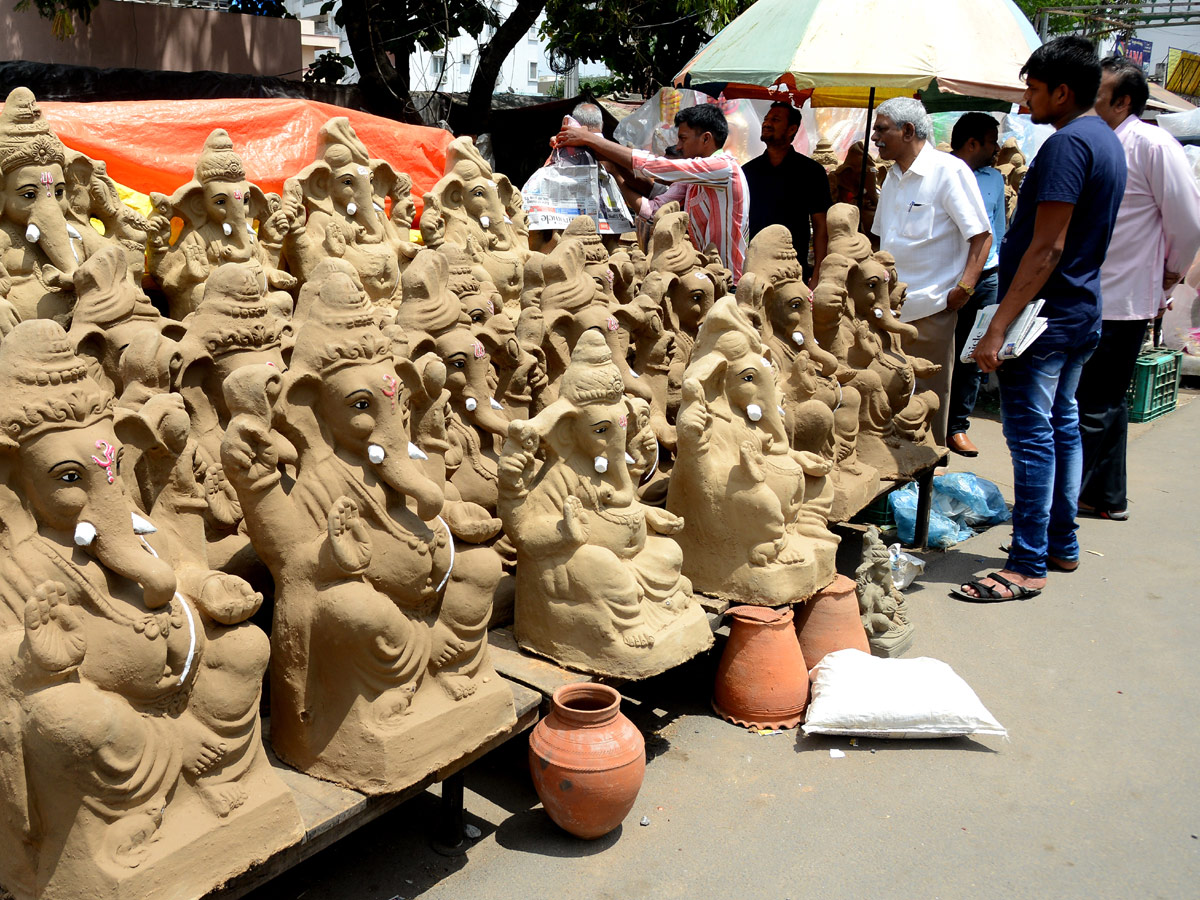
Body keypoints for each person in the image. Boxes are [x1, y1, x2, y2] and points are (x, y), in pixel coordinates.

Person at [955, 36, 1126, 602]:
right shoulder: (1104, 138)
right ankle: (1061, 544)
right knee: (1063, 426)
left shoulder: (1068, 147)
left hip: (1044, 319)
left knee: (1032, 437)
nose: (1026, 101)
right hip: (1079, 311)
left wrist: (999, 324)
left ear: (1062, 91)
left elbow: (1046, 248)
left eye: (1032, 89)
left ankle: (1027, 564)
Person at [1077, 56, 1200, 520]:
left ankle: (1077, 497)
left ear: (1123, 101)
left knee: (1095, 403)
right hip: (1092, 292)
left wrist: (1171, 270)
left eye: (1098, 95)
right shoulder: (1100, 141)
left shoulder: (1150, 143)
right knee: (1102, 404)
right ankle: (1104, 496)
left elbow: (1188, 220)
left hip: (1123, 297)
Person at [870, 97, 992, 447]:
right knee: (892, 396)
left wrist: (965, 288)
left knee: (927, 402)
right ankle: (898, 481)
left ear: (907, 131)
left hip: (931, 308)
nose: (876, 137)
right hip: (891, 312)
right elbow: (882, 237)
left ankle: (927, 481)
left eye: (882, 129)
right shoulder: (893, 176)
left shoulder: (948, 171)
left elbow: (981, 236)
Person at [555, 103, 749, 281]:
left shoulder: (724, 168)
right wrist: (613, 168)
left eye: (683, 138)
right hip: (709, 278)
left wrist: (590, 139)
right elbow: (654, 208)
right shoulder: (692, 181)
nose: (679, 146)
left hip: (731, 281)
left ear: (706, 138)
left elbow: (656, 166)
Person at [946, 112, 1007, 457]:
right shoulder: (941, 174)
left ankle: (957, 427)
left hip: (987, 277)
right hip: (948, 278)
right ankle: (930, 422)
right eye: (991, 140)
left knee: (973, 353)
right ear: (972, 144)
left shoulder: (995, 180)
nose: (996, 148)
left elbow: (998, 231)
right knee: (941, 350)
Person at [742, 102, 832, 284]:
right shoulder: (748, 171)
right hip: (753, 266)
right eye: (766, 119)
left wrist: (818, 274)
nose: (766, 123)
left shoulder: (811, 171)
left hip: (794, 269)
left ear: (791, 129)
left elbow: (821, 225)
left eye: (775, 120)